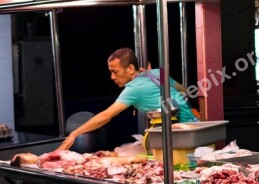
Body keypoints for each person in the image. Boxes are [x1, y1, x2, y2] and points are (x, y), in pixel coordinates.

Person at [58, 48, 198, 151]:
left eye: (115, 72)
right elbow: (184, 90)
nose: (112, 77)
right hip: (196, 128)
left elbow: (105, 116)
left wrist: (74, 134)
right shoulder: (156, 73)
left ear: (130, 68)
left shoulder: (133, 89)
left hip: (181, 139)